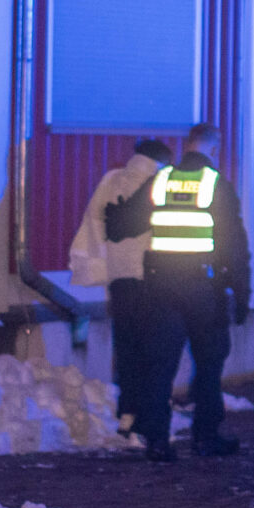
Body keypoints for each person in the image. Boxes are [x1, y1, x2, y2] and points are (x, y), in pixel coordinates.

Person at [104, 123, 249, 461]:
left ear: (188, 146)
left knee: (160, 364)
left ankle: (156, 439)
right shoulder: (216, 184)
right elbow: (234, 246)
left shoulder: (163, 179)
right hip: (203, 288)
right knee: (210, 363)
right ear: (214, 148)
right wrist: (242, 294)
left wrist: (115, 216)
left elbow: (124, 225)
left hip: (160, 286)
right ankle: (206, 436)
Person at [70, 138, 170, 450]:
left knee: (126, 348)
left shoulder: (111, 180)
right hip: (150, 277)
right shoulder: (160, 182)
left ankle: (126, 415)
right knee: (152, 351)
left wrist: (102, 267)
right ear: (160, 160)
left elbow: (94, 225)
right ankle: (145, 421)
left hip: (118, 280)